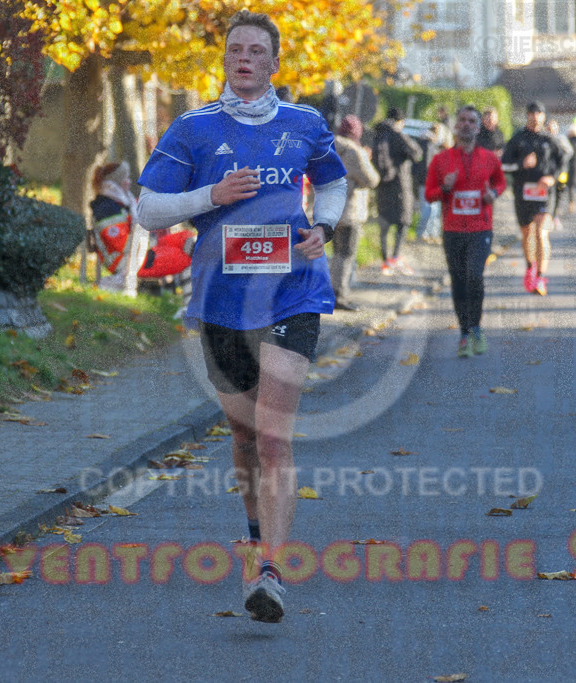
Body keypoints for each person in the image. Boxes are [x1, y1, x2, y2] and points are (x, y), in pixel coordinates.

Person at [135, 9, 347, 624]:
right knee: (245, 436)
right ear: (225, 60)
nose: (244, 59)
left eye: (256, 50)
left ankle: (271, 573)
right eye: (235, 51)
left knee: (275, 433)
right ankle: (255, 536)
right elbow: (149, 209)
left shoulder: (306, 122)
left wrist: (324, 226)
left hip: (293, 291)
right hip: (222, 300)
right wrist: (211, 197)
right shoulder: (194, 128)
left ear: (274, 63)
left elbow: (331, 184)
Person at [425, 105, 506, 358]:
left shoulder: (489, 158)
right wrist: (445, 189)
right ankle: (463, 332)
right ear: (455, 126)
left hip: (481, 228)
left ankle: (477, 327)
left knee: (474, 276)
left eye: (472, 120)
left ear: (478, 127)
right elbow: (429, 194)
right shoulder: (441, 160)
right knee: (458, 281)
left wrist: (493, 194)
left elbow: (501, 182)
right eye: (462, 120)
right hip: (452, 230)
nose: (467, 124)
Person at [90, 161, 194, 293]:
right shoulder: (106, 209)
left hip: (141, 248)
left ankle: (205, 261)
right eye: (125, 178)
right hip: (126, 261)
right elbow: (121, 244)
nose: (129, 181)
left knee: (184, 237)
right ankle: (191, 304)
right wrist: (150, 241)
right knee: (183, 258)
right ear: (116, 182)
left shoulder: (122, 201)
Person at [501, 101, 563, 296]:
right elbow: (504, 166)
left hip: (544, 193)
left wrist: (552, 178)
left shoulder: (550, 139)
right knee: (527, 233)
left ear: (544, 116)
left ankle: (541, 277)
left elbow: (562, 164)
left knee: (541, 233)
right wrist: (521, 165)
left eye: (539, 113)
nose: (535, 117)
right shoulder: (517, 139)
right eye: (531, 113)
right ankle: (531, 267)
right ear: (526, 116)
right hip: (523, 192)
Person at [330, 115, 379, 311]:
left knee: (336, 254)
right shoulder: (354, 151)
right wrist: (366, 159)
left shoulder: (329, 146)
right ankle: (340, 296)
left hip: (329, 209)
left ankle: (333, 293)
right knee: (346, 254)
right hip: (349, 210)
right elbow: (371, 179)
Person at [371, 107, 422, 275]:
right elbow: (417, 154)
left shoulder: (378, 133)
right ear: (400, 121)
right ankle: (395, 257)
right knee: (403, 222)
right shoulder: (397, 134)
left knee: (384, 225)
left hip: (382, 185)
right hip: (400, 184)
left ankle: (385, 261)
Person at [545, 119, 573, 230]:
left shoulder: (561, 138)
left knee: (560, 192)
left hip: (562, 172)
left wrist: (561, 161)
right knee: (548, 194)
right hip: (549, 173)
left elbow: (570, 152)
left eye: (553, 127)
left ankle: (556, 216)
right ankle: (549, 217)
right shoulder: (544, 139)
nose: (551, 130)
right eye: (549, 127)